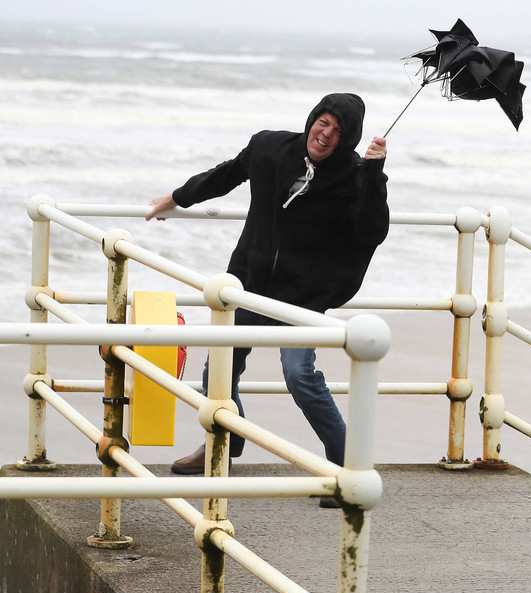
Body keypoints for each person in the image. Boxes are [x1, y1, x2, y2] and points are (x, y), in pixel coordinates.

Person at [146, 93, 390, 502]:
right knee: (219, 371)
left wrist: (375, 173)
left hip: (302, 296)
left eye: (338, 131)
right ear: (312, 119)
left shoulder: (355, 174)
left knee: (299, 376)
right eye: (323, 122)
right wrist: (174, 199)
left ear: (349, 139)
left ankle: (348, 464)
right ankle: (224, 445)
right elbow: (225, 175)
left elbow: (370, 231)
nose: (326, 135)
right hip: (250, 283)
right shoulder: (269, 146)